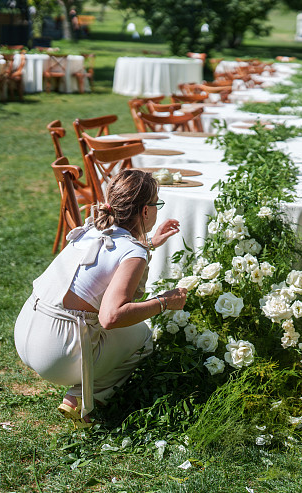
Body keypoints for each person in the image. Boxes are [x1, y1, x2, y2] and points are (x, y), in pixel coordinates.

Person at [14, 170, 187, 427]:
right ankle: (82, 398)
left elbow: (110, 258)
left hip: (26, 330)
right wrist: (164, 302)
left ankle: (79, 393)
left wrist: (149, 242)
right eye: (156, 204)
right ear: (145, 211)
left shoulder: (93, 228)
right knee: (143, 337)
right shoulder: (133, 252)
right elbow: (111, 317)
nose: (156, 210)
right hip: (56, 352)